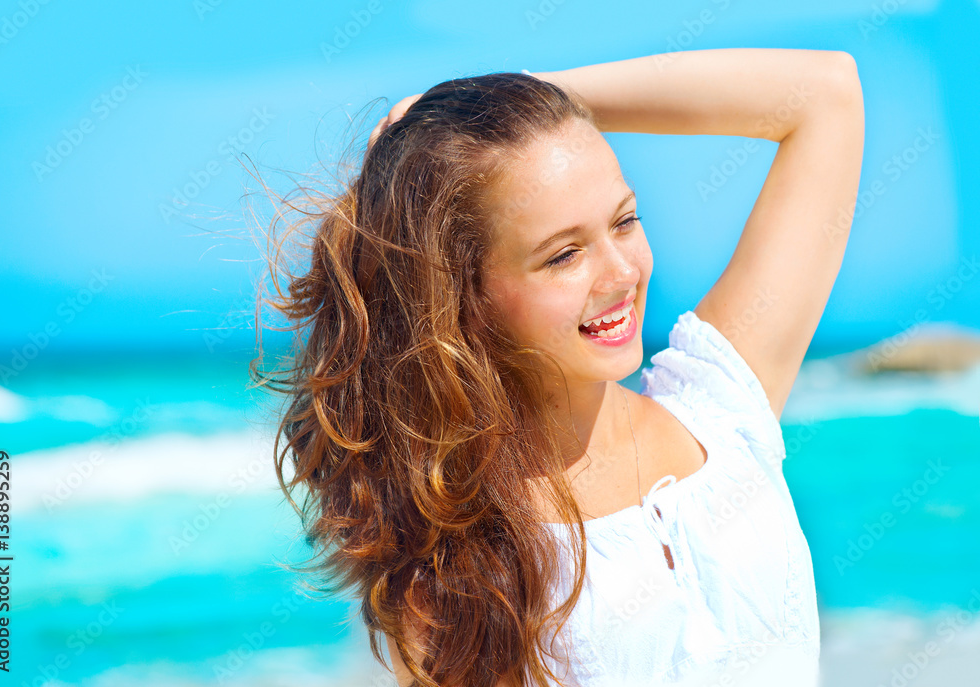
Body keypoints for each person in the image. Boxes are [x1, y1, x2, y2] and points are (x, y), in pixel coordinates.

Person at [261, 48, 864, 686]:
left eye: (625, 221)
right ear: (465, 298)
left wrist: (523, 97)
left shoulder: (721, 408)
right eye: (563, 255)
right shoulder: (469, 565)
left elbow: (822, 94)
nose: (621, 272)